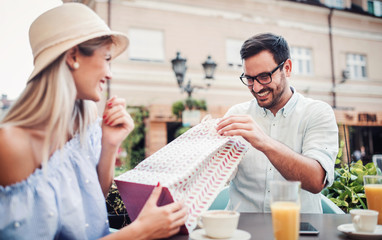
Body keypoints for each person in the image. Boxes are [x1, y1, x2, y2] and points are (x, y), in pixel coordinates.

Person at [0, 3, 187, 239]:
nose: (110, 73)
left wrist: (110, 145)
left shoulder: (86, 118)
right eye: (107, 58)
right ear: (73, 56)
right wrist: (139, 232)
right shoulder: (11, 145)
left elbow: (97, 202)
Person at [216, 33, 339, 213]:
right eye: (249, 79)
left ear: (287, 68)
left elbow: (316, 181)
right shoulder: (237, 114)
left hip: (299, 229)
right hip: (241, 229)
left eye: (264, 76)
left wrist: (264, 142)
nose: (256, 88)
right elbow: (219, 176)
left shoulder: (317, 112)